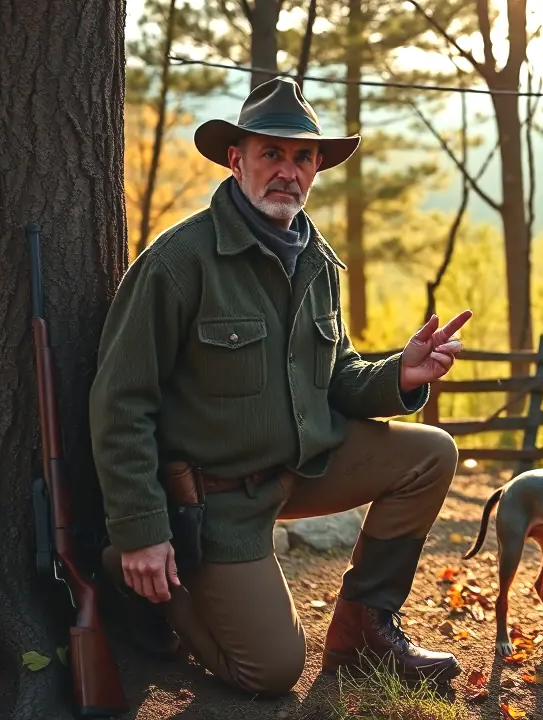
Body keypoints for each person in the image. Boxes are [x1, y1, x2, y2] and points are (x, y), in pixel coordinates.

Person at [87, 76, 472, 696]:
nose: (288, 171)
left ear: (316, 167)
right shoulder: (179, 264)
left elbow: (335, 374)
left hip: (301, 465)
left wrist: (399, 375)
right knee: (270, 673)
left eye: (303, 156)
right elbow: (120, 405)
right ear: (236, 160)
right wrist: (140, 531)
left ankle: (363, 627)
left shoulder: (315, 259)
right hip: (218, 503)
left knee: (430, 455)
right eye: (271, 153)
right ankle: (135, 579)